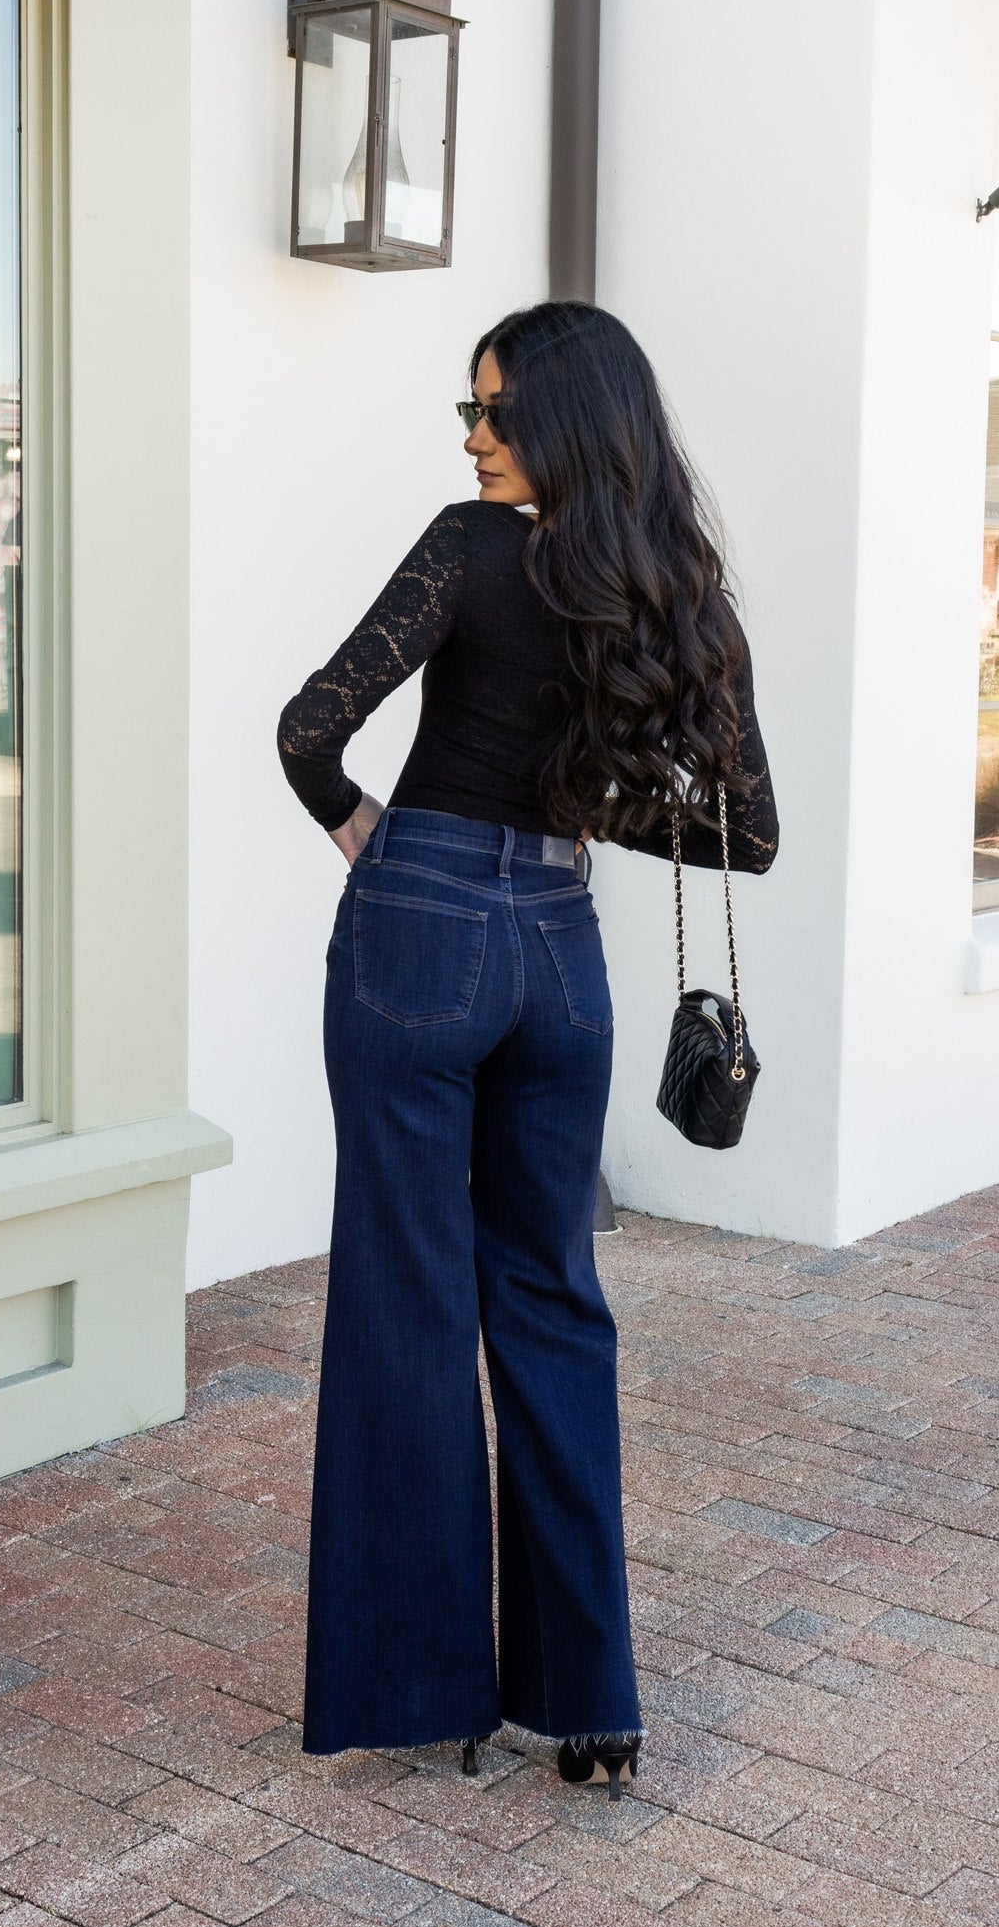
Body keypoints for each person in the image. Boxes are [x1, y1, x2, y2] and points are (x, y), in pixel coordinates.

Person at [276, 300, 778, 1798]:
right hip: (562, 956)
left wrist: (370, 834)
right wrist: (577, 808)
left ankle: (423, 1687)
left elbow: (309, 729)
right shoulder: (684, 591)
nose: (476, 439)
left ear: (564, 417)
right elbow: (747, 834)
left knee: (408, 1298)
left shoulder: (471, 549)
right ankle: (589, 1698)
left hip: (420, 933)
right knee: (554, 1303)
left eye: (495, 412)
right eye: (470, 413)